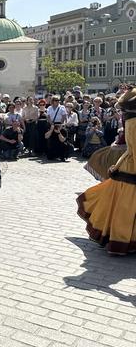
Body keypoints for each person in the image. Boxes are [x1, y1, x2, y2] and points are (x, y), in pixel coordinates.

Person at [77, 88, 136, 254]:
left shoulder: (130, 121)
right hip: (131, 170)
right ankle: (121, 241)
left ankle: (117, 238)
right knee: (125, 207)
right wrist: (116, 166)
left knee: (120, 205)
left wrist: (116, 166)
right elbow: (133, 151)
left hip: (126, 166)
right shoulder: (134, 122)